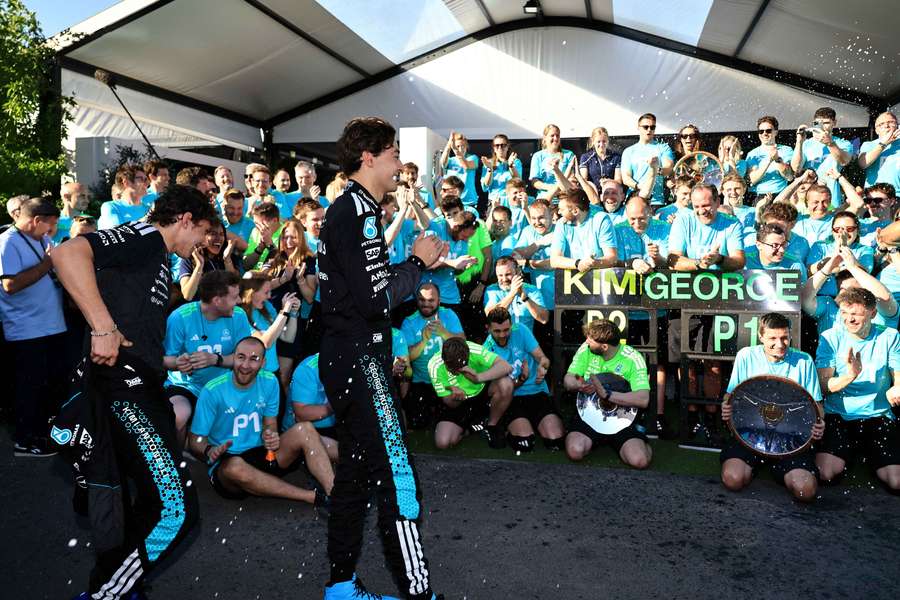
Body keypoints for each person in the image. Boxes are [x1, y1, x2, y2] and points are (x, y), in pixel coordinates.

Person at [51, 184, 216, 599]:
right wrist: (103, 327)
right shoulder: (144, 235)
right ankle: (107, 593)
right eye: (202, 232)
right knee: (174, 511)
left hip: (140, 386)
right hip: (124, 389)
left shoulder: (156, 254)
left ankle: (119, 585)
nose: (202, 243)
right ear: (185, 220)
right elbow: (67, 254)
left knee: (138, 504)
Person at [317, 116, 445, 599]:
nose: (399, 163)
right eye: (393, 153)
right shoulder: (360, 211)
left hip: (347, 358)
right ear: (368, 157)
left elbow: (358, 291)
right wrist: (417, 263)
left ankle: (341, 587)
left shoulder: (349, 209)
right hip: (359, 362)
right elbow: (376, 299)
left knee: (354, 473)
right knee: (398, 478)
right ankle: (418, 593)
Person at [189, 336, 334, 504]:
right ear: (233, 358)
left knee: (306, 429)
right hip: (228, 461)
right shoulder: (212, 390)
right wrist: (209, 450)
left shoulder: (270, 381)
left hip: (263, 454)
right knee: (234, 467)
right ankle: (312, 497)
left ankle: (334, 492)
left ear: (263, 363)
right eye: (241, 357)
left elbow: (270, 422)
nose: (245, 365)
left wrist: (270, 434)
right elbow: (195, 441)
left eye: (253, 359)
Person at [720, 313, 823, 502]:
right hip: (750, 434)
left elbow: (816, 405)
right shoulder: (746, 355)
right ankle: (755, 466)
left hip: (791, 439)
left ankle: (782, 469)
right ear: (761, 337)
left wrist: (820, 423)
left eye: (784, 337)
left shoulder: (804, 360)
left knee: (805, 491)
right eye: (773, 338)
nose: (780, 344)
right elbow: (731, 395)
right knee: (732, 480)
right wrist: (725, 407)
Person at [815, 287, 900, 492]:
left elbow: (898, 376)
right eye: (844, 313)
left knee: (896, 482)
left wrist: (897, 388)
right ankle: (849, 454)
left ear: (872, 313)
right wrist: (849, 376)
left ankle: (871, 457)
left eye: (855, 314)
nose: (849, 319)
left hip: (878, 415)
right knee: (825, 474)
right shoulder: (830, 337)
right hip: (840, 415)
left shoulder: (889, 336)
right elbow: (823, 386)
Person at [1, 198, 65, 456]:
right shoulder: (8, 242)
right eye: (49, 226)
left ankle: (41, 433)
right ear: (36, 220)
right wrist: (47, 265)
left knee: (48, 384)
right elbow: (9, 285)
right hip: (27, 328)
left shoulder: (41, 239)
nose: (51, 232)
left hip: (49, 325)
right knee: (30, 386)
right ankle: (24, 440)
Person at [163, 270, 253, 445]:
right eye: (235, 297)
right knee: (178, 416)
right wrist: (178, 363)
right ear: (217, 301)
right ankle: (176, 462)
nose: (240, 301)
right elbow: (164, 359)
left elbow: (245, 359)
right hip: (186, 386)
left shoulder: (239, 316)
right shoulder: (180, 317)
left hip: (224, 385)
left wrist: (215, 360)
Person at [563, 319, 652, 469]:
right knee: (575, 451)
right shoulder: (586, 349)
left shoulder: (633, 358)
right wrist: (578, 385)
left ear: (604, 346)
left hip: (622, 418)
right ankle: (597, 439)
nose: (586, 341)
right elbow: (568, 379)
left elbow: (643, 399)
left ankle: (641, 443)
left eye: (590, 340)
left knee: (640, 461)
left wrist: (607, 395)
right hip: (589, 414)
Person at [481, 307, 563, 452]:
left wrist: (543, 368)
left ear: (511, 325)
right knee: (524, 443)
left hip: (536, 392)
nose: (502, 335)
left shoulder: (521, 330)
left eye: (506, 330)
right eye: (497, 331)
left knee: (555, 440)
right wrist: (521, 379)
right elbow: (494, 390)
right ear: (488, 329)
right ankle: (503, 425)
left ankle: (536, 424)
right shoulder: (486, 350)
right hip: (513, 398)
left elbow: (543, 358)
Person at [428, 337, 513, 449]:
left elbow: (506, 366)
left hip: (482, 391)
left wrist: (478, 378)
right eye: (452, 368)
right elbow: (448, 402)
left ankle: (491, 425)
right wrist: (455, 396)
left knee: (506, 383)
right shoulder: (434, 365)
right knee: (443, 443)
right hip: (459, 403)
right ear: (444, 359)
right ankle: (470, 428)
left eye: (460, 367)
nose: (457, 371)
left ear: (467, 356)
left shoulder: (474, 350)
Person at [401, 283, 465, 429]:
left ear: (439, 300)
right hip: (422, 381)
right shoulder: (409, 322)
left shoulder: (448, 314)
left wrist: (444, 332)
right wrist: (424, 340)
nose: (426, 304)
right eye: (422, 300)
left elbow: (463, 344)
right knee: (418, 423)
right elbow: (407, 357)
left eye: (431, 300)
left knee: (453, 407)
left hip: (448, 378)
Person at [238, 272, 301, 383]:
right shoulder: (240, 314)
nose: (269, 296)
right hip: (253, 376)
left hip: (273, 373)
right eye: (266, 292)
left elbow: (288, 337)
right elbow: (264, 343)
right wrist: (284, 312)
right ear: (252, 293)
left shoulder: (267, 306)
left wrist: (293, 314)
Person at [791, 107, 854, 206]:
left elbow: (844, 161)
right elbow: (796, 168)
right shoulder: (806, 143)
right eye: (818, 123)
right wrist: (799, 142)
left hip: (831, 197)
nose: (822, 127)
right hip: (808, 197)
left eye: (826, 123)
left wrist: (830, 143)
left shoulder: (843, 143)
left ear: (834, 123)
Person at [283, 353, 339, 461]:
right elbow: (301, 415)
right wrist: (337, 404)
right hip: (306, 430)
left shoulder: (357, 363)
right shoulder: (308, 369)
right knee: (353, 456)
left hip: (336, 425)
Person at [806, 211, 874, 297]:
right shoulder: (820, 246)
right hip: (821, 297)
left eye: (849, 229)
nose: (843, 233)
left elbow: (866, 273)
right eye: (838, 229)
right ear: (832, 231)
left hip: (851, 298)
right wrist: (831, 261)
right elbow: (808, 272)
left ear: (857, 230)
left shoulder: (865, 250)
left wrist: (844, 247)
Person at [549, 188, 618, 271]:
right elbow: (554, 260)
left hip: (599, 279)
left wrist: (592, 263)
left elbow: (612, 258)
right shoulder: (561, 223)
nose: (559, 212)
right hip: (570, 280)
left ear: (575, 211)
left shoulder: (601, 219)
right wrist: (578, 263)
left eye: (562, 209)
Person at [174, 220, 238, 302]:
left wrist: (227, 259)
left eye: (222, 234)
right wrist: (199, 265)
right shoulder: (189, 259)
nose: (218, 238)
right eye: (213, 234)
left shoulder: (226, 258)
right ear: (202, 237)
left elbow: (234, 287)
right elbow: (187, 295)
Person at [620, 113, 674, 206]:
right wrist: (640, 187)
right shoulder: (629, 151)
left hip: (656, 201)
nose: (649, 130)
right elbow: (626, 178)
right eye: (646, 127)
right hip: (634, 199)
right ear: (638, 127)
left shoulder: (663, 147)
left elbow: (668, 168)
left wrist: (656, 169)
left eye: (652, 127)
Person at [483, 256, 547, 332]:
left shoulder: (531, 289)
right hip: (500, 340)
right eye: (500, 275)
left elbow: (544, 319)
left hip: (524, 341)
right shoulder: (491, 290)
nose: (504, 279)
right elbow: (492, 317)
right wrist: (512, 293)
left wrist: (526, 299)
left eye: (508, 274)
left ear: (518, 272)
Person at [747, 115, 794, 196]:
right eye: (761, 131)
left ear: (776, 132)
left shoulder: (786, 150)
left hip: (780, 195)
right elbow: (752, 180)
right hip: (759, 195)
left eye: (768, 131)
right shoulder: (752, 154)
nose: (764, 134)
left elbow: (789, 177)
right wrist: (769, 160)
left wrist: (777, 160)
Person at [530, 123, 576, 200]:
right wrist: (552, 188)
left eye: (557, 135)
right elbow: (535, 182)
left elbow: (571, 179)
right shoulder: (537, 156)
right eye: (552, 135)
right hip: (544, 197)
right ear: (545, 138)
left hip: (565, 197)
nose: (555, 138)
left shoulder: (569, 154)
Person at [857, 111, 899, 191]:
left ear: (897, 125)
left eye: (890, 122)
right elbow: (863, 163)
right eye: (881, 124)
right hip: (874, 195)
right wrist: (884, 144)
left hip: (897, 194)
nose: (886, 126)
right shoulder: (869, 145)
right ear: (876, 130)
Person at [98, 165, 148, 230]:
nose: (147, 183)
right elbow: (120, 233)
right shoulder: (110, 207)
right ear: (126, 182)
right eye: (141, 179)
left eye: (146, 179)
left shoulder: (148, 209)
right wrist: (146, 218)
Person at [440, 131, 478, 208]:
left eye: (463, 146)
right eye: (458, 146)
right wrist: (448, 145)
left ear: (467, 146)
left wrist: (455, 149)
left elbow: (466, 166)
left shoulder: (473, 158)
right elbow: (443, 164)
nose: (460, 149)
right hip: (452, 200)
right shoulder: (451, 160)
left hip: (468, 201)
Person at [481, 133, 521, 203]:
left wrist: (511, 165)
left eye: (503, 145)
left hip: (512, 201)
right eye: (497, 145)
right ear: (494, 148)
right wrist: (489, 169)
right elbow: (485, 186)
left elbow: (518, 182)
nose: (500, 148)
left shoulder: (516, 161)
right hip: (494, 201)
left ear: (507, 147)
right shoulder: (488, 162)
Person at [243, 201, 283, 271]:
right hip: (254, 277)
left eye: (260, 224)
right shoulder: (255, 232)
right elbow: (246, 265)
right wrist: (260, 249)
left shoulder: (286, 233)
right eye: (255, 223)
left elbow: (283, 263)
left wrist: (270, 244)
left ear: (274, 220)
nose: (257, 227)